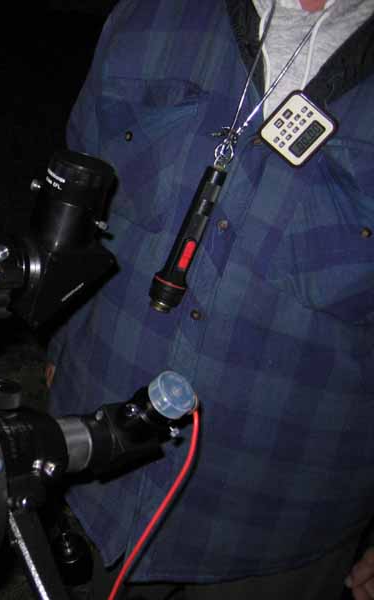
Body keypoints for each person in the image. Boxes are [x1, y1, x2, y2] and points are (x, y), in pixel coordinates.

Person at [46, 0, 374, 598]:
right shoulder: (149, 16)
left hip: (284, 527)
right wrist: (58, 344)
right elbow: (77, 202)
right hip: (92, 476)